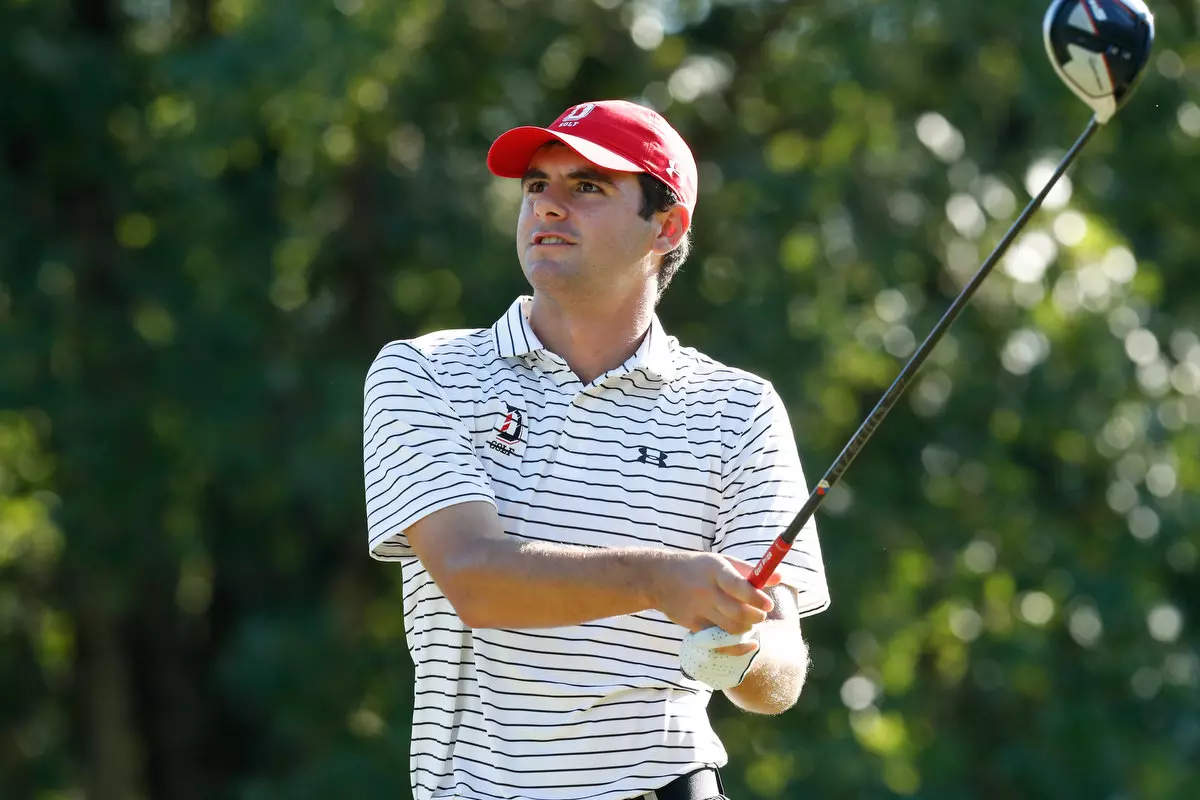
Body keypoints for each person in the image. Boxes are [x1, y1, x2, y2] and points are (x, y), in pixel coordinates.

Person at [363, 99, 830, 800]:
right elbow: (472, 578)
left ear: (666, 226)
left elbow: (779, 675)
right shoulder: (425, 375)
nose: (547, 205)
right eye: (536, 185)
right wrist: (658, 578)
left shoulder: (740, 409)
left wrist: (742, 651)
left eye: (587, 186)